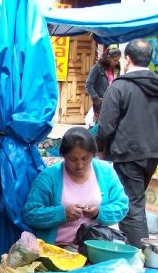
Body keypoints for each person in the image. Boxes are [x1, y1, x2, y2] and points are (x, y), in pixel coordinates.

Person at [96, 39, 158, 248]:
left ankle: (139, 253)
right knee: (135, 201)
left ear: (127, 59)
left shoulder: (120, 87)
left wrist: (99, 149)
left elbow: (105, 126)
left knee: (132, 205)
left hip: (128, 153)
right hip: (152, 154)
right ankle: (136, 251)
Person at [24, 127, 129, 247]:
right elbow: (31, 214)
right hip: (56, 249)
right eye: (72, 159)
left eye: (85, 158)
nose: (79, 165)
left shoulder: (106, 171)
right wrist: (62, 213)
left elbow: (122, 206)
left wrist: (99, 212)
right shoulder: (48, 177)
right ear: (63, 156)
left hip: (95, 247)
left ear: (93, 154)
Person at [85, 44, 121, 124]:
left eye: (118, 60)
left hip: (112, 102)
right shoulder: (97, 68)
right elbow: (88, 85)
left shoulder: (117, 69)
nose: (116, 62)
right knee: (100, 125)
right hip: (100, 103)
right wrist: (96, 99)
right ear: (108, 58)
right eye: (114, 60)